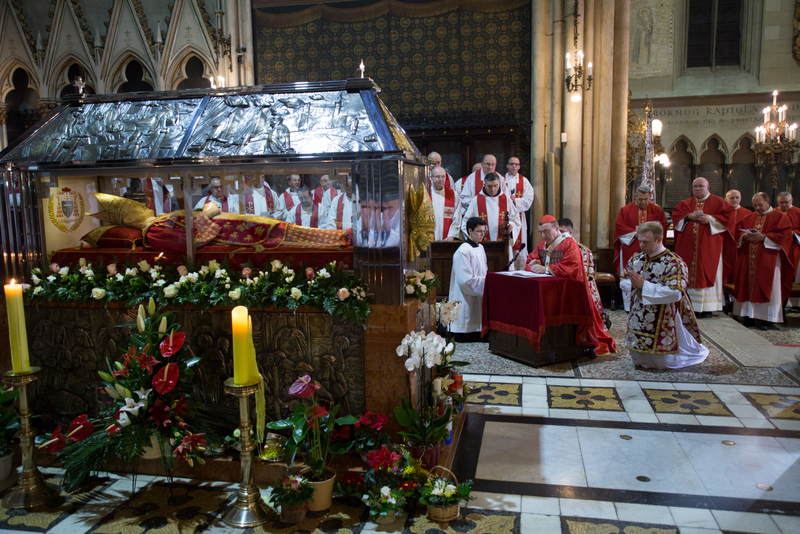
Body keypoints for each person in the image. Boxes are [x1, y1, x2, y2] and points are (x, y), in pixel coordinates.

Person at [527, 215, 617, 356]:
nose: (543, 235)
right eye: (541, 232)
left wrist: (546, 269)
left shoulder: (569, 244)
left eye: (546, 231)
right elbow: (531, 259)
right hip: (550, 291)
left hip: (570, 292)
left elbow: (573, 267)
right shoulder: (542, 245)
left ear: (557, 228)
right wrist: (534, 264)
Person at [624, 221, 709, 369]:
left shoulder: (674, 262)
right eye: (640, 241)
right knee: (636, 357)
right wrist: (632, 284)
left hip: (664, 315)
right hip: (638, 313)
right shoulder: (637, 258)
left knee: (662, 362)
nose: (641, 245)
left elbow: (675, 293)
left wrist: (644, 286)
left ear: (659, 239)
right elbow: (624, 280)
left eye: (646, 242)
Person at [672, 177, 735, 317]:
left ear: (708, 187)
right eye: (695, 187)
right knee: (688, 273)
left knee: (708, 271)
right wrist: (688, 217)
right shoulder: (686, 203)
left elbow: (729, 218)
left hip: (710, 248)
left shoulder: (719, 202)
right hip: (689, 249)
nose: (697, 189)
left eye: (701, 186)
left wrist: (710, 219)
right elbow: (676, 217)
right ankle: (689, 306)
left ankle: (707, 308)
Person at [734, 192, 794, 330]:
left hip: (769, 259)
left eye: (760, 205)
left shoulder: (780, 217)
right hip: (749, 259)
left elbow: (785, 236)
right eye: (755, 205)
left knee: (768, 286)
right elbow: (738, 232)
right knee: (748, 286)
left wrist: (765, 237)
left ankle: (765, 319)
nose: (757, 208)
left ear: (767, 202)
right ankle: (748, 316)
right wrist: (744, 236)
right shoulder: (750, 217)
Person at [461, 172, 521, 263]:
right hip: (482, 245)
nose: (493, 189)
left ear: (499, 184)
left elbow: (516, 220)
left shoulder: (506, 199)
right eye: (489, 186)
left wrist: (511, 226)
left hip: (503, 245)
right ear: (484, 185)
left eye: (495, 186)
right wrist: (474, 238)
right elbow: (466, 223)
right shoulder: (476, 200)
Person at [560, 218, 607, 325]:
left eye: (562, 232)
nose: (559, 235)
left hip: (579, 289)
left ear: (570, 232)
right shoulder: (556, 250)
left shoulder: (582, 250)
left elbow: (583, 276)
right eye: (558, 232)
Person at [613, 185, 668, 277]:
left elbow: (663, 227)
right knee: (630, 273)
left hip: (651, 247)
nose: (643, 202)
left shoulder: (657, 210)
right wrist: (635, 234)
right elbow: (620, 226)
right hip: (632, 245)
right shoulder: (625, 210)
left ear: (649, 197)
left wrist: (650, 235)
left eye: (646, 199)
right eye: (640, 199)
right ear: (635, 196)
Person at [449, 217, 489, 340]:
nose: (482, 234)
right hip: (466, 295)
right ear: (470, 231)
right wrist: (486, 283)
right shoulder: (463, 251)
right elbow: (465, 281)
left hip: (478, 291)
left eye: (484, 231)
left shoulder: (480, 247)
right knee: (467, 320)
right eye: (479, 231)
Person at [503, 157, 534, 253]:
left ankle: (519, 260)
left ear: (519, 167)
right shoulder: (501, 180)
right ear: (507, 165)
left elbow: (529, 199)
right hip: (504, 214)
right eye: (511, 164)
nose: (514, 166)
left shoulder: (524, 181)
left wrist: (515, 200)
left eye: (516, 164)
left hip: (519, 215)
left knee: (520, 241)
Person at [724, 189, 753, 285]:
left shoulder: (748, 213)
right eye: (732, 198)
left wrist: (743, 235)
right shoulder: (722, 212)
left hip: (740, 245)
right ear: (726, 199)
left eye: (737, 197)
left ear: (740, 198)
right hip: (725, 244)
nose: (735, 200)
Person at [777, 191, 800, 306]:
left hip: (793, 248)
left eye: (786, 202)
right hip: (777, 249)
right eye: (781, 203)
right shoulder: (774, 212)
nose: (784, 205)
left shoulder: (798, 212)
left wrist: (793, 233)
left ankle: (791, 303)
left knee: (791, 274)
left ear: (792, 201)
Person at [430, 166, 461, 241]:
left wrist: (451, 235)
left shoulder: (453, 195)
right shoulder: (426, 194)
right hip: (428, 239)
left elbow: (457, 218)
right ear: (431, 177)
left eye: (443, 176)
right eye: (437, 176)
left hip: (447, 240)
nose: (440, 179)